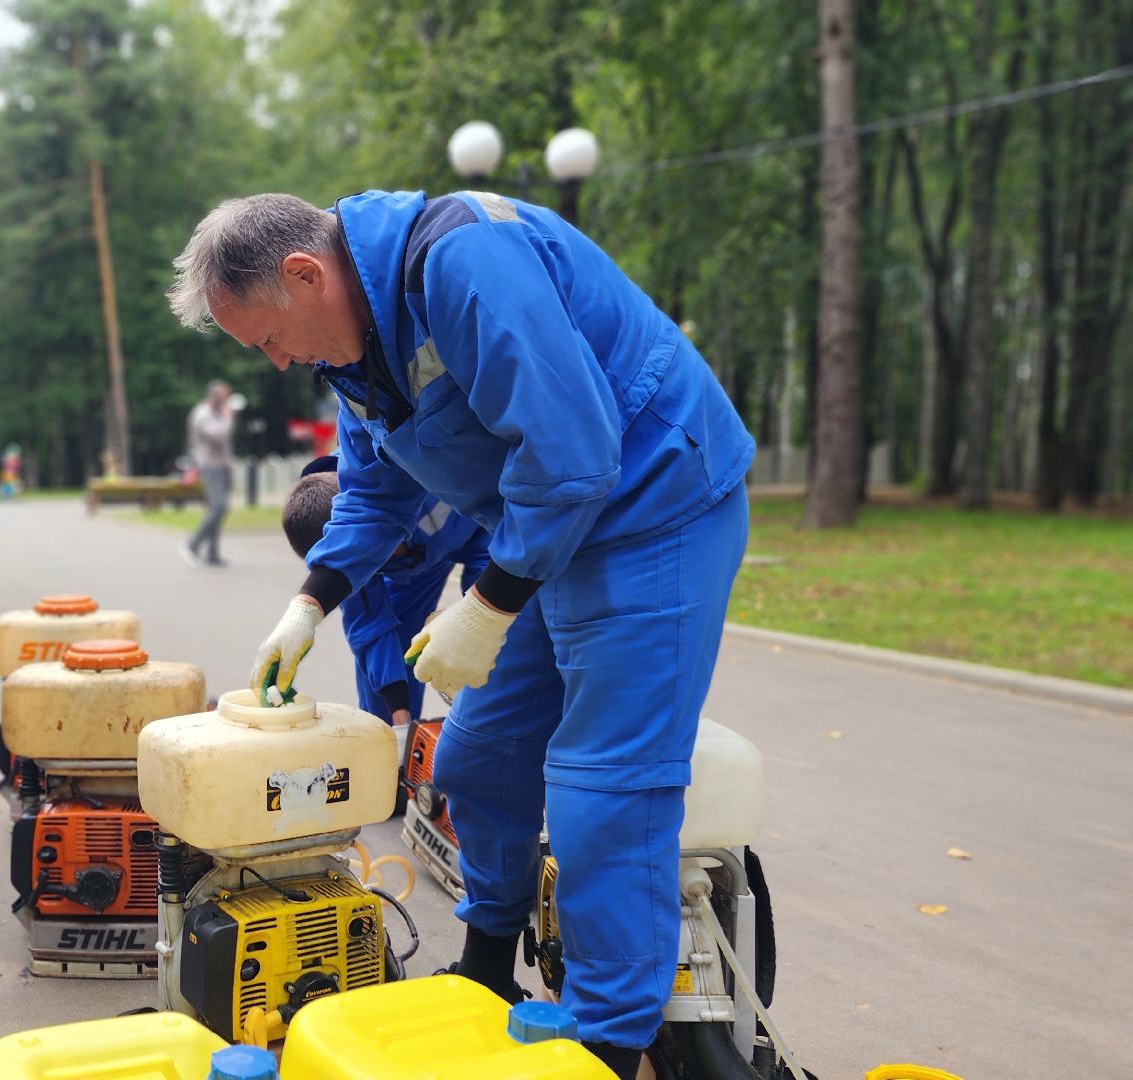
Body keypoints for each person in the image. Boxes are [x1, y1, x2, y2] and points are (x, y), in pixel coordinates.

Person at [168, 190, 753, 1077]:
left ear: (303, 274)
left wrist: (486, 607)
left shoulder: (465, 264)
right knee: (476, 759)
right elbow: (372, 490)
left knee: (602, 784)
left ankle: (606, 1041)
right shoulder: (356, 347)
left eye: (268, 338)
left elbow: (575, 455)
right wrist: (311, 603)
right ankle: (489, 967)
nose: (279, 361)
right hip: (555, 534)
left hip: (654, 510)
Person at [281, 456, 488, 727]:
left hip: (478, 536)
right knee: (391, 667)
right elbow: (370, 628)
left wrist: (477, 616)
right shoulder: (342, 548)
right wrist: (398, 714)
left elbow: (494, 543)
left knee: (498, 637)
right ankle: (390, 743)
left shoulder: (428, 480)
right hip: (409, 560)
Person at [179, 379, 236, 567]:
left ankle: (212, 553)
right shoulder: (202, 414)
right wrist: (228, 418)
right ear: (215, 397)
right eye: (225, 398)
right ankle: (191, 544)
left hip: (222, 466)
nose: (227, 402)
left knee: (216, 509)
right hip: (210, 466)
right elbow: (217, 437)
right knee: (219, 507)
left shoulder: (216, 413)